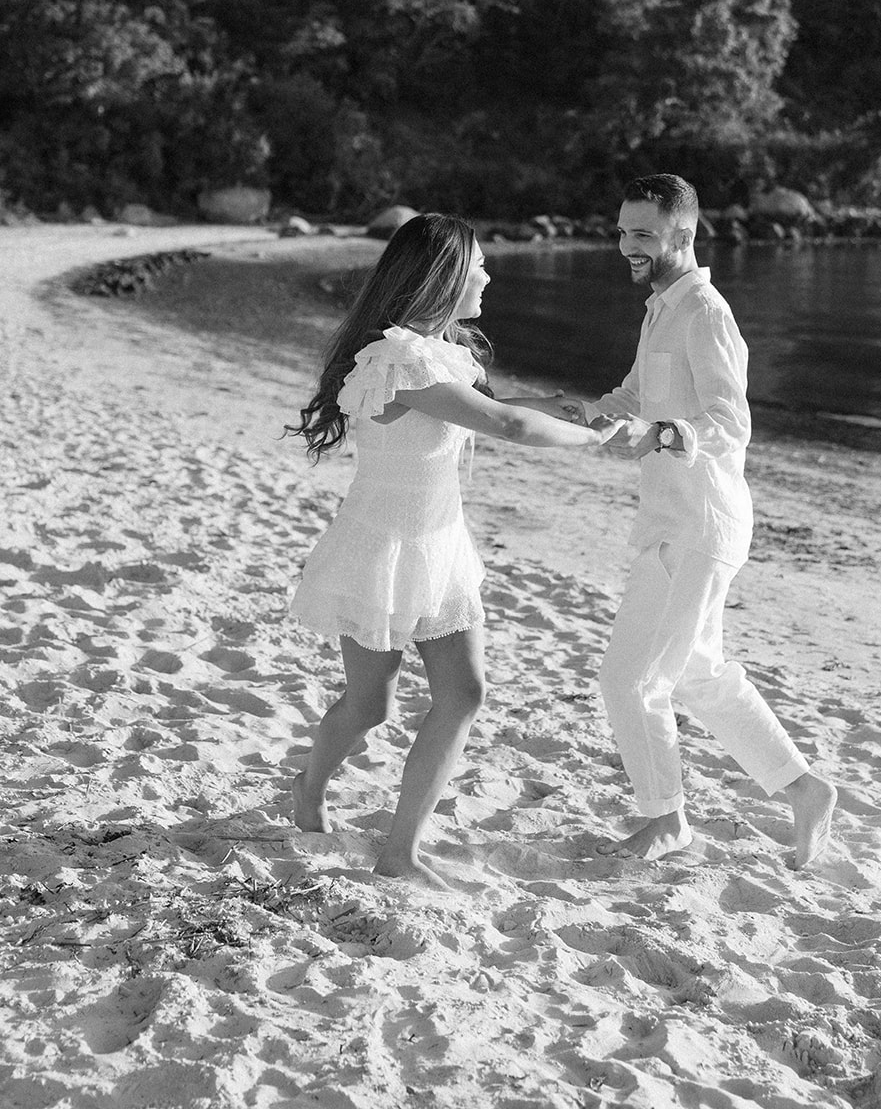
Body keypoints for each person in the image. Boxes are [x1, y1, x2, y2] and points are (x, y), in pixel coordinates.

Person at [287, 212, 620, 889]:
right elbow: (498, 422)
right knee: (369, 706)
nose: (489, 275)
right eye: (480, 265)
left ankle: (398, 851)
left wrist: (553, 400)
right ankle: (309, 787)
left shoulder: (439, 356)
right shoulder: (396, 359)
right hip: (382, 550)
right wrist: (591, 442)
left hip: (439, 547)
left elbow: (478, 405)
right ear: (442, 278)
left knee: (464, 693)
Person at [568, 174, 836, 870]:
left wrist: (657, 433)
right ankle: (804, 791)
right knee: (696, 673)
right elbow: (638, 391)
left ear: (681, 235)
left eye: (642, 234)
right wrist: (593, 412)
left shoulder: (706, 313)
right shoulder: (661, 307)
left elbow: (727, 422)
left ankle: (666, 822)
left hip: (703, 522)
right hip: (668, 518)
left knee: (632, 681)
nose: (627, 245)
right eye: (622, 231)